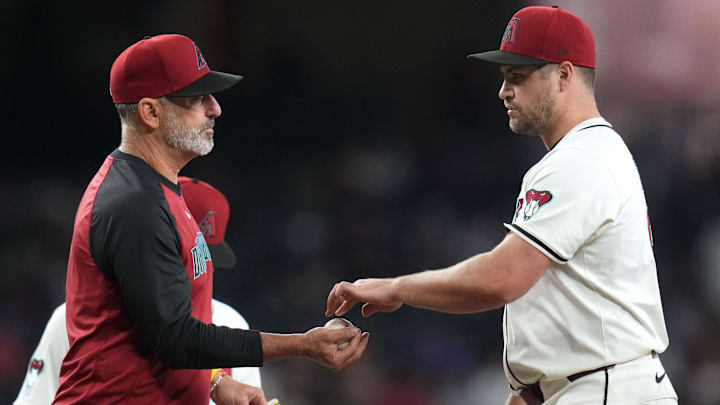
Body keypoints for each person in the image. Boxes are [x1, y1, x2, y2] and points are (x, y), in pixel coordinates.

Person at [326, 6, 676, 405]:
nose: (503, 91)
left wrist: (398, 287)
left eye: (518, 77)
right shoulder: (590, 153)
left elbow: (502, 279)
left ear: (564, 75)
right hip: (593, 384)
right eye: (504, 77)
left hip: (606, 388)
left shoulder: (580, 160)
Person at [54, 34, 368, 405]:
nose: (215, 108)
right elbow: (176, 339)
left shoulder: (158, 188)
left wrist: (214, 383)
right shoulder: (133, 204)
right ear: (150, 112)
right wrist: (303, 344)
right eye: (196, 97)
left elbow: (150, 334)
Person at [15, 177, 261, 405]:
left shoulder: (232, 324)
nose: (202, 272)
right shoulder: (73, 320)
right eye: (189, 260)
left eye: (208, 262)